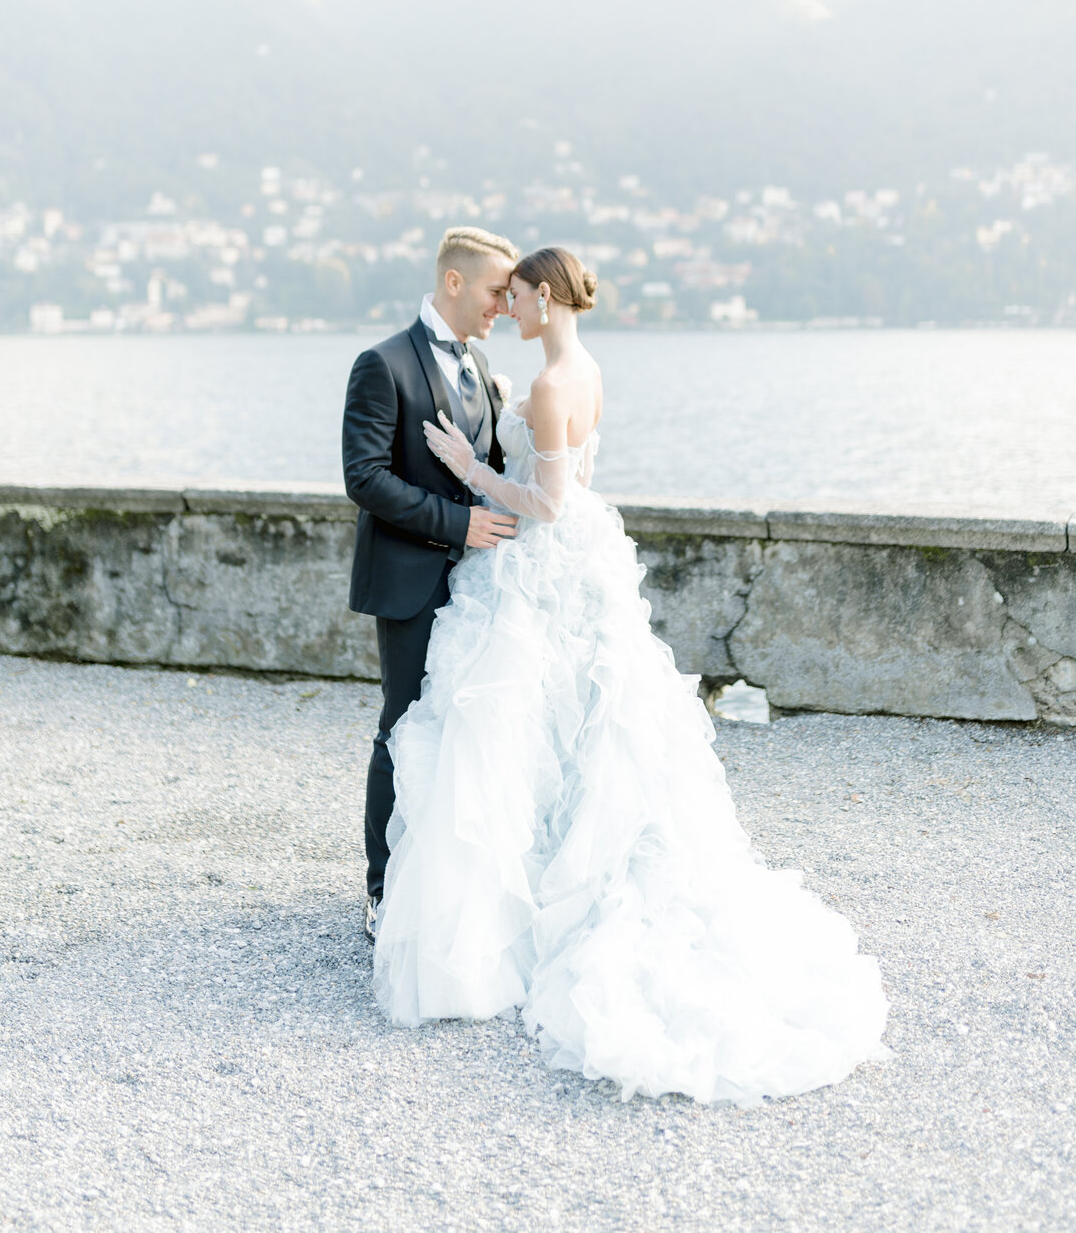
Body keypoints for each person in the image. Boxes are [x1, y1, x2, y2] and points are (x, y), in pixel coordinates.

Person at [371, 244, 891, 1106]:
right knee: (576, 730)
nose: (512, 307)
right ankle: (549, 882)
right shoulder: (589, 370)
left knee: (512, 728)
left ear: (543, 295)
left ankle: (514, 914)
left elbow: (549, 502)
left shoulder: (540, 385)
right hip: (579, 570)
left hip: (539, 563)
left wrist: (469, 472)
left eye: (519, 294)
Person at [342, 226, 522, 941]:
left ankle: (437, 885)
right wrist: (457, 525)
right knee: (404, 728)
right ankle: (383, 891)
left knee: (460, 733)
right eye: (495, 292)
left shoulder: (482, 365)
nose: (504, 307)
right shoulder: (381, 363)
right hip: (411, 578)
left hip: (478, 589)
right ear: (454, 282)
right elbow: (365, 477)